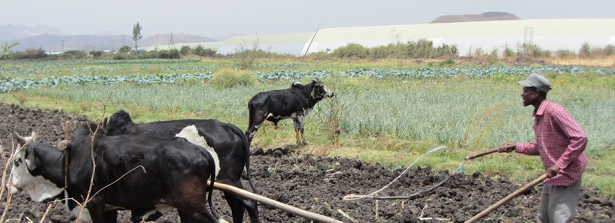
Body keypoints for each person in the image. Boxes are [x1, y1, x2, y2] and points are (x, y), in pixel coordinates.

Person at [498, 73, 588, 223]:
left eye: (526, 91)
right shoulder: (540, 115)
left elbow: (580, 137)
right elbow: (543, 147)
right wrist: (515, 146)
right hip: (552, 174)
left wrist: (559, 164)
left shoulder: (554, 111)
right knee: (543, 218)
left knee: (559, 218)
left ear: (536, 93)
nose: (522, 94)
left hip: (567, 173)